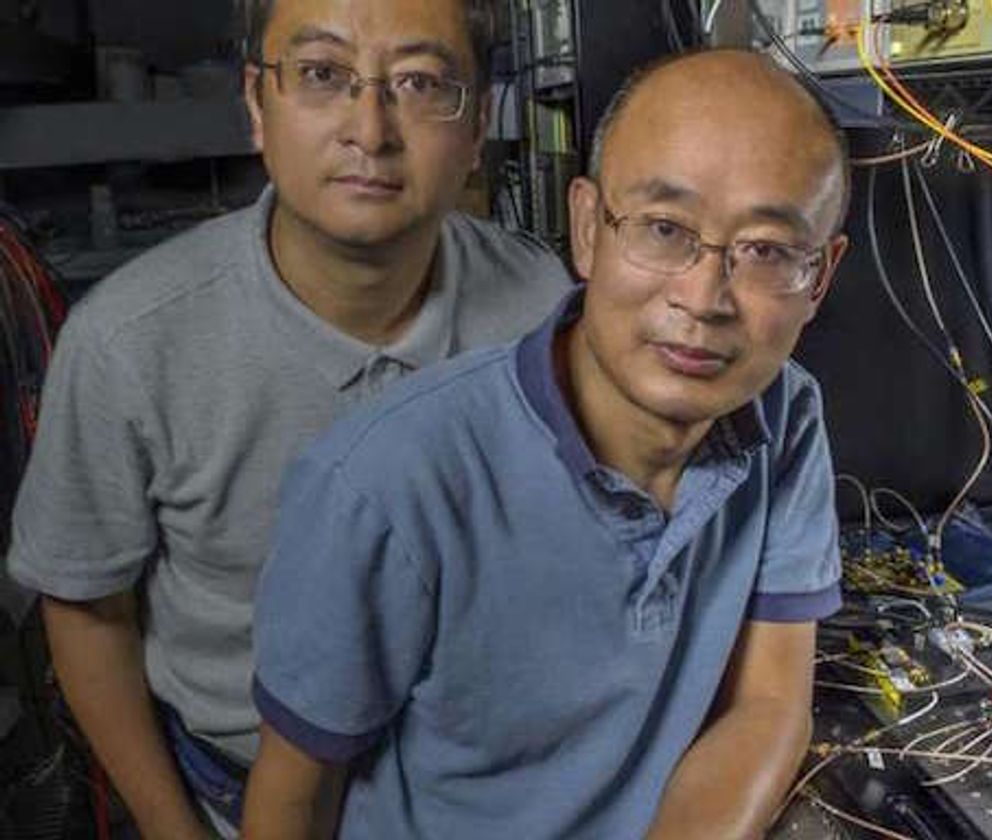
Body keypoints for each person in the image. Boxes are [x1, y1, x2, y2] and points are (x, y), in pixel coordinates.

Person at [243, 48, 852, 838]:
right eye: (664, 230)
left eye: (768, 251)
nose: (703, 299)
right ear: (589, 229)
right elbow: (292, 798)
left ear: (822, 277)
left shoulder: (784, 412)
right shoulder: (385, 484)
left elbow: (769, 706)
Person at [5, 0, 571, 835]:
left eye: (418, 82)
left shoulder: (544, 308)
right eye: (321, 75)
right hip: (240, 792)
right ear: (256, 105)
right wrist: (174, 829)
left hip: (494, 788)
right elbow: (89, 611)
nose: (369, 130)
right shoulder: (128, 344)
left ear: (478, 121)